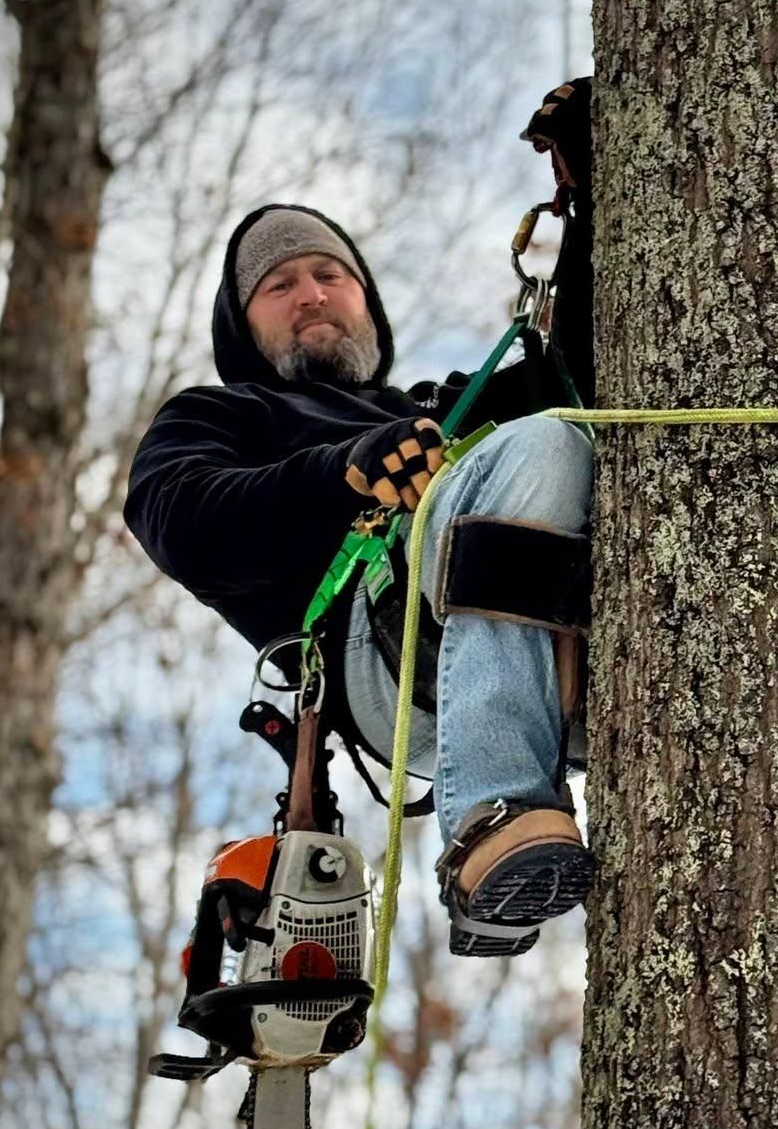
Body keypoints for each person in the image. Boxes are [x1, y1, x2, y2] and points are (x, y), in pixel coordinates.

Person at [124, 80, 597, 959]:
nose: (311, 293)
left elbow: (579, 365)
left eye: (329, 274)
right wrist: (344, 474)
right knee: (546, 449)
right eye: (277, 284)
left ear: (365, 305)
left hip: (557, 647)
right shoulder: (226, 418)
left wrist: (589, 194)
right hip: (390, 663)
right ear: (242, 325)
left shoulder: (433, 412)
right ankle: (492, 817)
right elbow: (178, 516)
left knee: (568, 436)